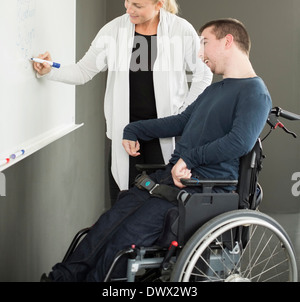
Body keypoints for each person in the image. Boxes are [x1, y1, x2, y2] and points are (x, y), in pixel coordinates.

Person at [42, 18, 272, 282]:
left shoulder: (255, 92)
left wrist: (190, 158)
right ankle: (60, 278)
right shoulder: (214, 91)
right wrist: (134, 128)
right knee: (104, 226)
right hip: (170, 180)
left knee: (124, 240)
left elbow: (239, 142)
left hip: (202, 188)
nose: (200, 53)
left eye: (205, 43)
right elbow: (182, 122)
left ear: (228, 41)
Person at [33, 0, 212, 203]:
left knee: (166, 205)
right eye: (127, 1)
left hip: (165, 134)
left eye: (137, 5)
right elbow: (83, 71)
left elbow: (204, 74)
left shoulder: (181, 31)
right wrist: (50, 71)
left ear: (158, 4)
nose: (129, 9)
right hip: (125, 135)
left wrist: (184, 114)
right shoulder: (113, 31)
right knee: (123, 202)